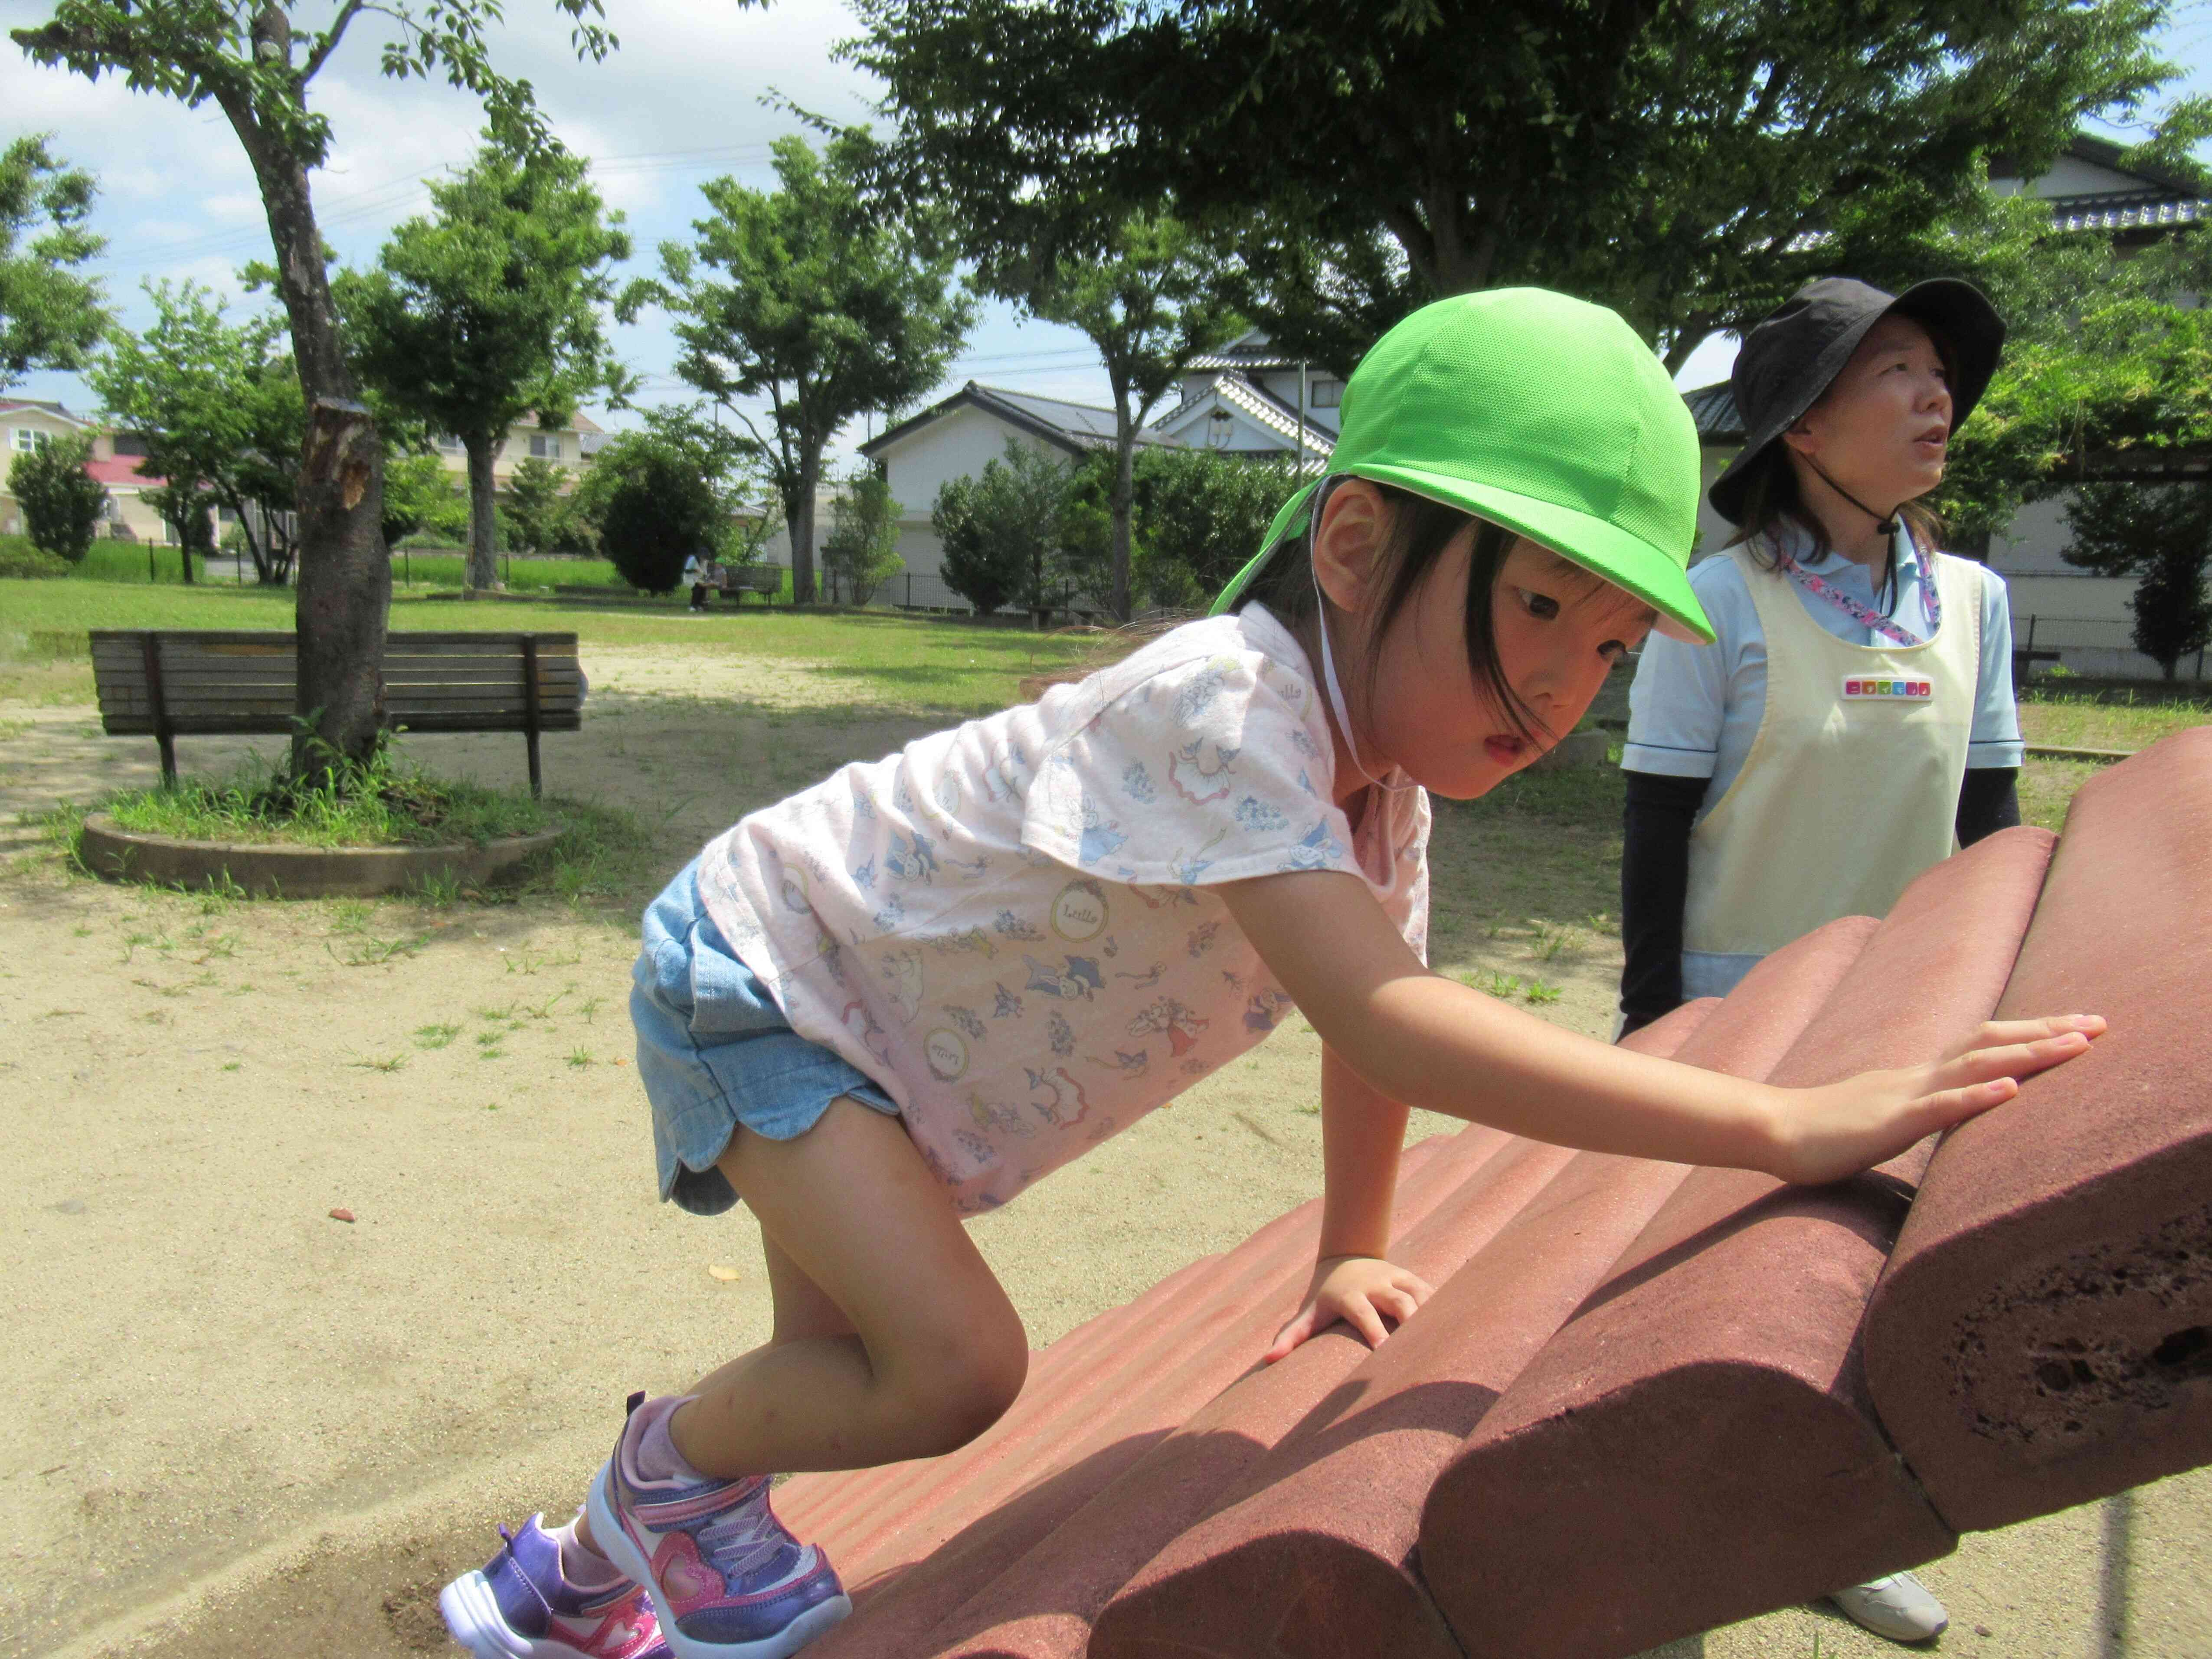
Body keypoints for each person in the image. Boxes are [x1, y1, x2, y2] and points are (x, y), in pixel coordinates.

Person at [439, 290, 2099, 1659]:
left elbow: (1366, 1037)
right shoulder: (1231, 705)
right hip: (767, 975)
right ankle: (660, 1482)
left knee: (852, 1379)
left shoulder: (1375, 786)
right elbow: (1398, 1024)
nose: (1561, 682)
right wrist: (1779, 1120)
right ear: (1357, 544)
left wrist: (1352, 1245)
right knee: (950, 1371)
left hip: (865, 1033)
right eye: (1535, 601)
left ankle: (561, 1585)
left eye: (1606, 646)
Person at [1617, 277, 2025, 1644]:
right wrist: (1648, 1028)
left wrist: (2002, 989)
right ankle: (1665, 1560)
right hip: (1734, 1023)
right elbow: (1655, 822)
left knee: (1863, 1297)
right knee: (1695, 1314)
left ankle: (1831, 1537)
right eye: (1895, 373)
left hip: (1907, 1013)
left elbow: (1987, 824)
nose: (1935, 399)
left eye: (1938, 374)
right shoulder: (1707, 602)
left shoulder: (1972, 600)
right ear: (1800, 427)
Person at [684, 550, 713, 614]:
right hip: (689, 579)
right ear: (700, 556)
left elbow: (704, 574)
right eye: (703, 557)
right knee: (697, 589)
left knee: (703, 588)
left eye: (705, 557)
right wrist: (695, 570)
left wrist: (707, 580)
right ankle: (693, 606)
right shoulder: (693, 560)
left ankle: (699, 605)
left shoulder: (705, 561)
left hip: (699, 579)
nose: (704, 559)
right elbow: (687, 571)